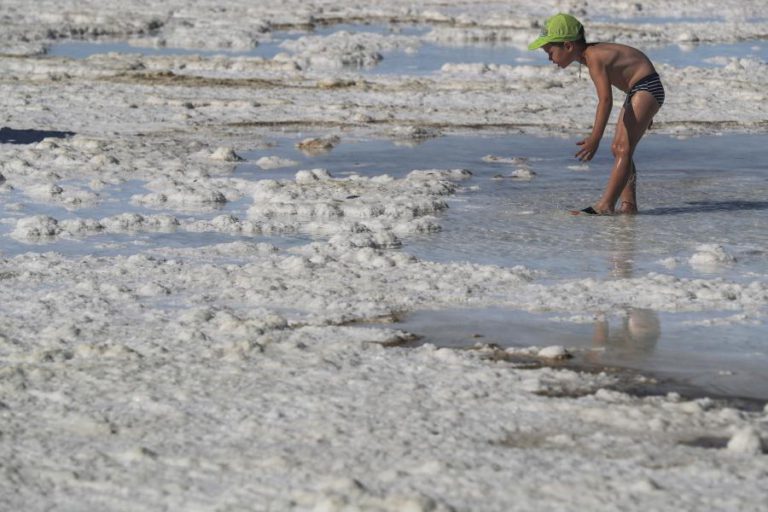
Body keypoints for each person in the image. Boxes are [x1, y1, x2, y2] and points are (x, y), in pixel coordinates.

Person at [529, 13, 665, 215]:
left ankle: (605, 206)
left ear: (568, 46)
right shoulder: (589, 55)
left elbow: (606, 100)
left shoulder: (594, 57)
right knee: (619, 149)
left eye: (550, 51)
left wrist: (595, 138)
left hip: (646, 88)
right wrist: (644, 109)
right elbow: (626, 72)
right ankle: (628, 205)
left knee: (621, 148)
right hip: (639, 91)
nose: (549, 58)